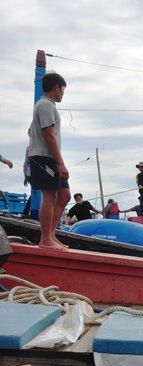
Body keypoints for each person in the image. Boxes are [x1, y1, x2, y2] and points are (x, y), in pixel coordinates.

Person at [27, 72, 70, 249]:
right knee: (50, 195)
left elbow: (31, 131)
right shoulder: (45, 106)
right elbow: (49, 135)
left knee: (65, 195)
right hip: (44, 158)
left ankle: (51, 235)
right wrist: (60, 162)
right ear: (56, 88)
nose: (63, 94)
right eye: (63, 90)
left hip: (50, 158)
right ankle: (45, 239)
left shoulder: (46, 106)